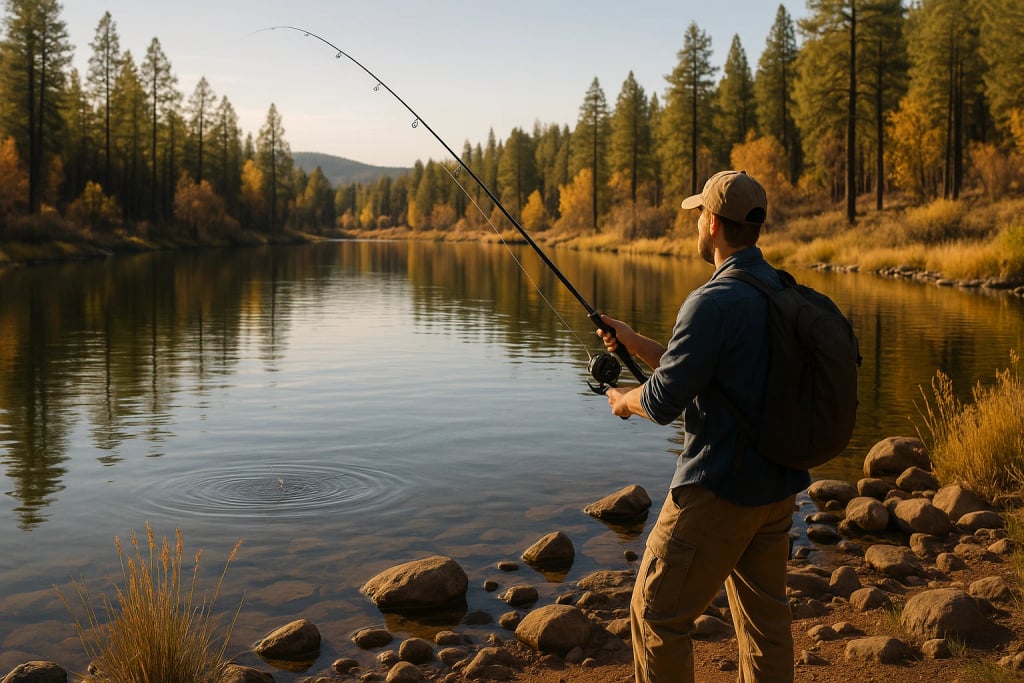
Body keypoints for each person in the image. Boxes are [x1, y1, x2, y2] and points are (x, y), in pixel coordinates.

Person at [596, 170, 810, 682]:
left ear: (712, 223)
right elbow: (697, 369)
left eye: (698, 217)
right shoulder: (779, 288)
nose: (695, 225)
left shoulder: (711, 301)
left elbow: (665, 400)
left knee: (656, 617)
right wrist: (631, 342)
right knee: (766, 623)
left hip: (717, 488)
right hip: (777, 488)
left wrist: (625, 402)